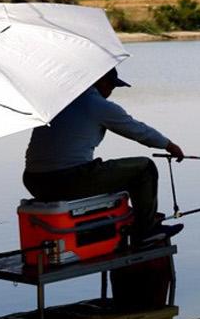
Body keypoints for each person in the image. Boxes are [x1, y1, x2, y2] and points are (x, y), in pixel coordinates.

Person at [23, 68, 185, 239]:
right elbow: (137, 130)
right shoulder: (96, 105)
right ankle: (146, 231)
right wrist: (169, 145)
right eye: (111, 85)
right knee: (144, 168)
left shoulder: (59, 102)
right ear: (100, 81)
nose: (110, 91)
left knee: (112, 172)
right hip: (66, 180)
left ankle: (129, 216)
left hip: (34, 182)